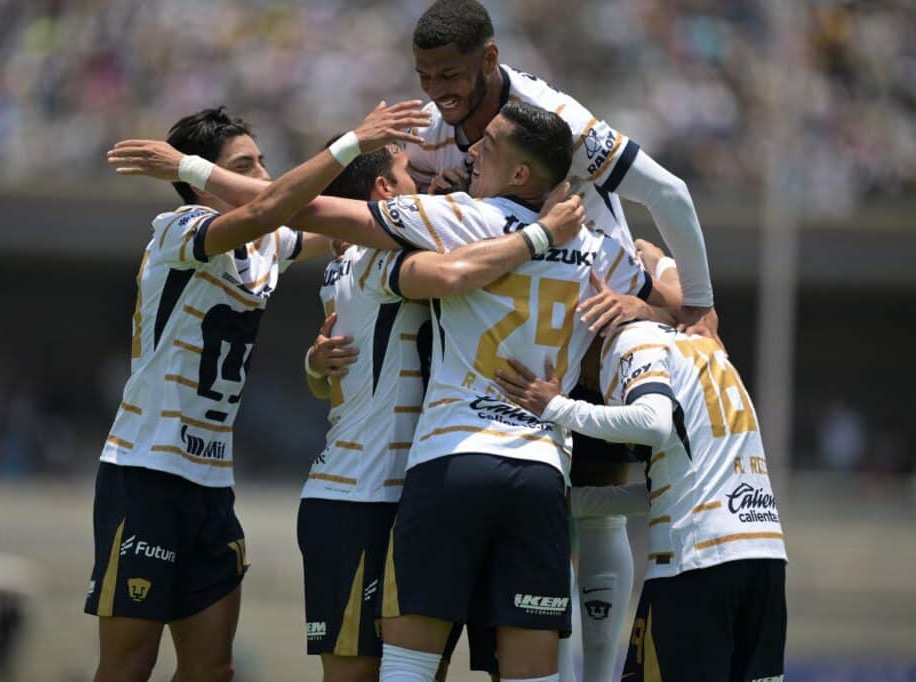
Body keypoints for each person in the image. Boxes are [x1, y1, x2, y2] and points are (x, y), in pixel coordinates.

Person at [404, 3, 719, 676]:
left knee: (601, 500)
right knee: (550, 520)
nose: (438, 91)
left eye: (451, 74)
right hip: (499, 338)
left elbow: (669, 193)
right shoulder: (430, 128)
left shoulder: (555, 120)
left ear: (490, 59)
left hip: (591, 314)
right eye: (426, 75)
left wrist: (697, 303)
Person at [85, 100, 429, 682]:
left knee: (213, 670)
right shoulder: (179, 231)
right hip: (144, 473)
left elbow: (349, 222)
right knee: (128, 665)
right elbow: (274, 206)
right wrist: (351, 141)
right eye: (245, 166)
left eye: (263, 163)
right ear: (199, 181)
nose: (264, 177)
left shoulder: (268, 244)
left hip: (212, 483)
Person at [299, 139, 585, 682]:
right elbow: (455, 275)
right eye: (414, 173)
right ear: (385, 193)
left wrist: (314, 367)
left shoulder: (347, 261)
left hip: (419, 485)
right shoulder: (379, 257)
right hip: (360, 495)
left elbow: (329, 378)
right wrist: (542, 234)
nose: (429, 183)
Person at [495, 315, 788, 682]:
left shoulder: (631, 340)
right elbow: (673, 487)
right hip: (764, 556)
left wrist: (556, 407)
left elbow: (653, 423)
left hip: (695, 565)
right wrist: (574, 503)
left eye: (573, 364)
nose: (579, 383)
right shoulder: (700, 348)